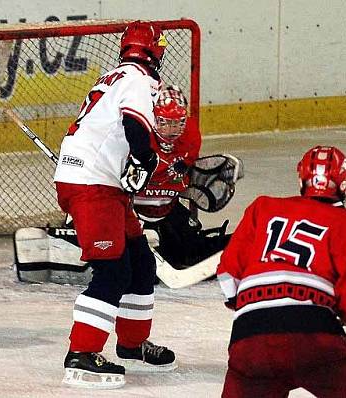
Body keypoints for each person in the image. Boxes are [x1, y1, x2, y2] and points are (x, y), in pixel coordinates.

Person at [217, 145, 346, 398]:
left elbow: (227, 275)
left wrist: (258, 305)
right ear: (345, 185)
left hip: (250, 338)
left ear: (302, 179)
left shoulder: (262, 208)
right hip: (314, 339)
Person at [53, 20, 175, 389]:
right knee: (113, 271)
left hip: (97, 181)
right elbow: (134, 126)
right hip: (92, 185)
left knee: (141, 261)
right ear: (155, 52)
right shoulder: (140, 81)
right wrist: (144, 160)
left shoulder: (113, 76)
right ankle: (82, 353)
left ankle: (132, 344)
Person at [133, 85, 232, 270]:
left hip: (168, 209)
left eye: (177, 123)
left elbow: (189, 160)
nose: (171, 129)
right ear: (152, 118)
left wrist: (189, 171)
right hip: (133, 212)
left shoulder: (191, 135)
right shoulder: (138, 137)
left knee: (190, 254)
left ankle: (242, 244)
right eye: (164, 122)